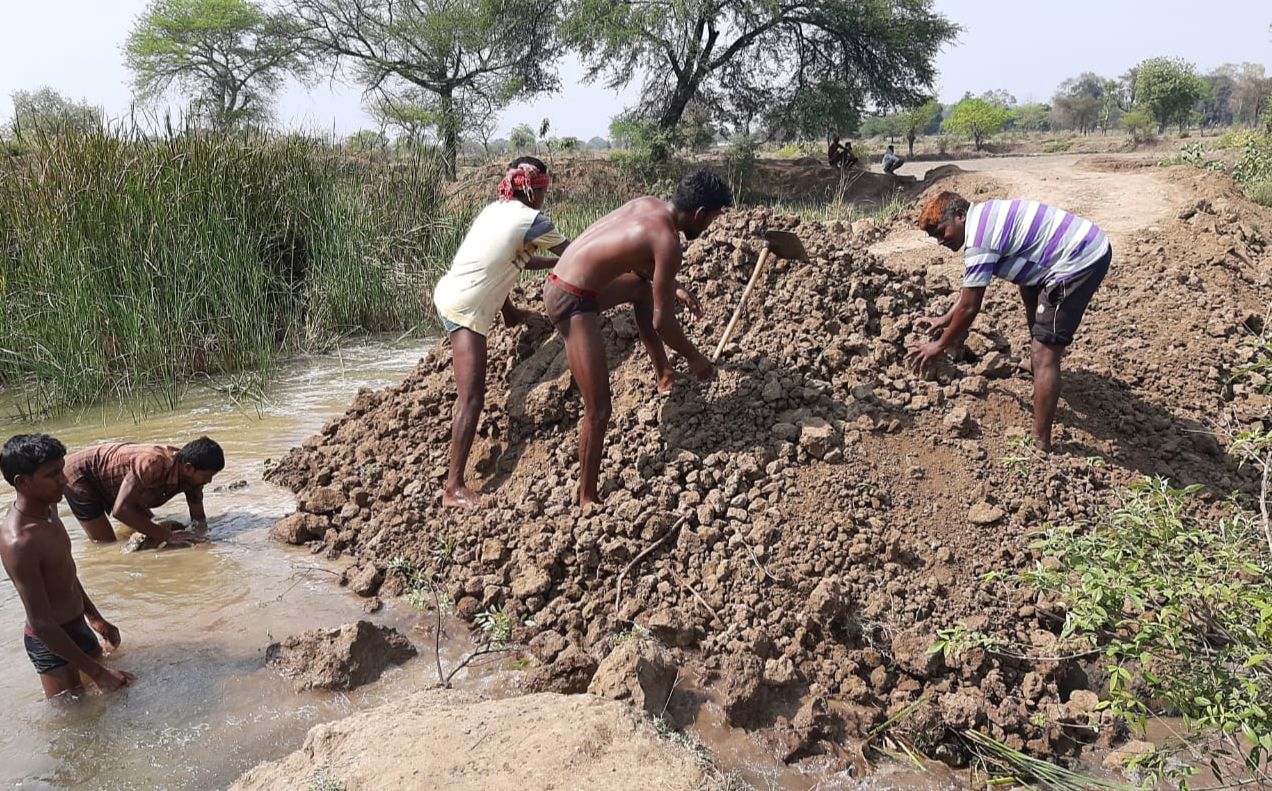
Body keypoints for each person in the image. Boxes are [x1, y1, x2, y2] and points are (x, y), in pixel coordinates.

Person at [546, 169, 731, 506]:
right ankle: (586, 498)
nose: (708, 229)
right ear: (700, 214)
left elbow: (639, 264)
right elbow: (663, 323)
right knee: (599, 407)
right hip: (571, 299)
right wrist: (694, 356)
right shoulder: (669, 242)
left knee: (640, 291)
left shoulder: (648, 205)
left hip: (564, 281)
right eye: (711, 220)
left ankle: (664, 375)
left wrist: (674, 287)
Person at [907, 191, 1112, 452]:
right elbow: (970, 290)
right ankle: (1037, 363)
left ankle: (1041, 443)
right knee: (1027, 287)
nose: (940, 241)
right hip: (1077, 245)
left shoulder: (979, 239)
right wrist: (946, 319)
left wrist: (938, 346)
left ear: (959, 216)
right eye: (934, 237)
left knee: (1045, 354)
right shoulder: (983, 217)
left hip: (1079, 259)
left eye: (941, 232)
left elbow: (970, 306)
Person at [433, 157, 570, 508]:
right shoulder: (532, 221)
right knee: (473, 397)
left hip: (452, 292)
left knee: (472, 394)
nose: (545, 198)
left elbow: (505, 260)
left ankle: (508, 315)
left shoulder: (497, 210)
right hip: (466, 309)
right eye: (545, 191)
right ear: (534, 191)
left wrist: (510, 311)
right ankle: (453, 488)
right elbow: (576, 254)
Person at [2, 434, 135, 698]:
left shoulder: (49, 510)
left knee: (116, 697)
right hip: (50, 641)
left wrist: (95, 617)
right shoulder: (19, 542)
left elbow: (66, 571)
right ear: (22, 482)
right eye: (52, 475)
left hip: (78, 625)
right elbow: (41, 624)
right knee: (75, 719)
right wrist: (99, 674)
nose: (64, 480)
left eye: (61, 470)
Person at [62, 436, 224, 545]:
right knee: (106, 544)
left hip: (121, 483)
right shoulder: (153, 463)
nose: (209, 481)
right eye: (207, 476)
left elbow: (198, 519)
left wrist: (202, 539)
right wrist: (168, 536)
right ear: (188, 468)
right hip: (82, 474)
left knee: (151, 523)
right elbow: (121, 510)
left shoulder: (194, 478)